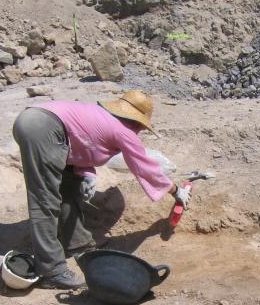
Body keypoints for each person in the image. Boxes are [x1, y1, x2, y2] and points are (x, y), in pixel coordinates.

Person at [12, 90, 190, 289]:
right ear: (137, 122)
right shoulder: (123, 130)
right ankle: (52, 271)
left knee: (69, 186)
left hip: (39, 121)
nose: (140, 131)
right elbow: (145, 167)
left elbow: (81, 141)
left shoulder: (101, 115)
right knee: (45, 200)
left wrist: (87, 173)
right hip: (43, 128)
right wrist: (175, 190)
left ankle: (77, 243)